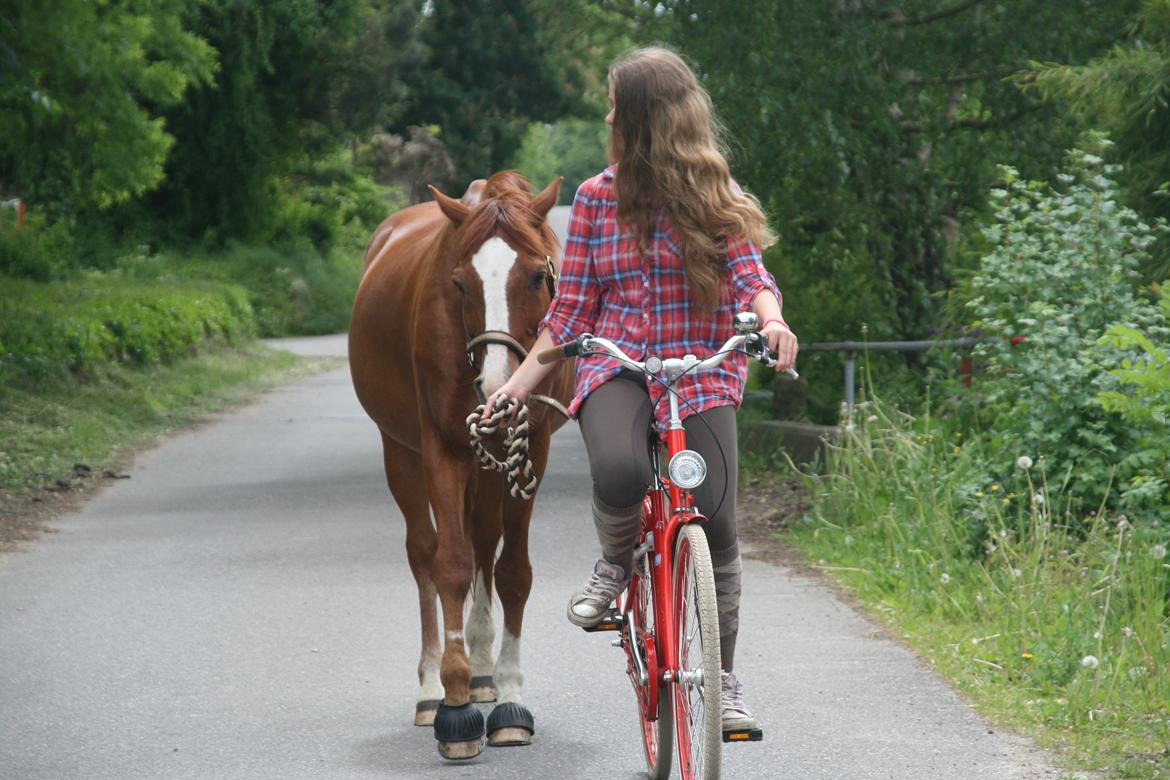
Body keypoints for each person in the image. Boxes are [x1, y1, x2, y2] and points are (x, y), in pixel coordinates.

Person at [481, 45, 797, 732]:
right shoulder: (596, 199)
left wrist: (771, 323)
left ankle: (727, 681)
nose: (605, 115)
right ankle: (617, 564)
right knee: (622, 469)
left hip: (702, 370)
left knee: (715, 522)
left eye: (614, 105)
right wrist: (516, 384)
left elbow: (752, 279)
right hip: (616, 365)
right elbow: (570, 314)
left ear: (644, 117)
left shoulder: (719, 197)